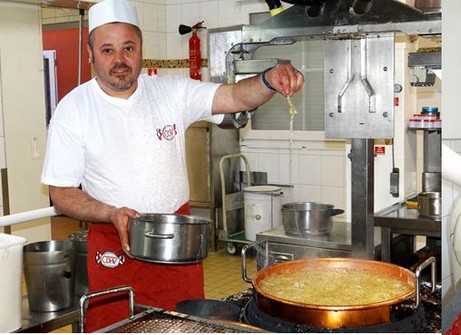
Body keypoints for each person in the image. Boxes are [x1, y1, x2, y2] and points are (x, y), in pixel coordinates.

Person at [40, 0, 304, 331]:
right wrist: (110, 213)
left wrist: (268, 79)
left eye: (128, 47)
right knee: (117, 327)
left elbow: (236, 97)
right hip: (115, 245)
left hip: (177, 244)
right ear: (91, 54)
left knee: (185, 324)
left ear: (140, 49)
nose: (119, 59)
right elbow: (61, 194)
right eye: (107, 50)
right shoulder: (73, 110)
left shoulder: (170, 92)